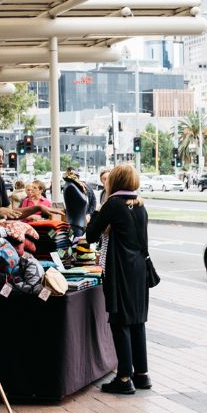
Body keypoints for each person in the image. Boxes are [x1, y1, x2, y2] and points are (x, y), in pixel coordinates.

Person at [86, 164, 151, 395]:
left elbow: (91, 235)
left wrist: (95, 211)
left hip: (120, 268)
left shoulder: (113, 204)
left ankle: (124, 378)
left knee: (120, 320)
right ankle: (142, 374)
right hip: (139, 269)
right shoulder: (140, 205)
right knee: (137, 320)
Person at [63, 168, 96, 237]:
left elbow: (93, 201)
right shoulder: (70, 186)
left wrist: (89, 214)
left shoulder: (82, 187)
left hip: (81, 224)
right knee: (75, 246)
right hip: (75, 225)